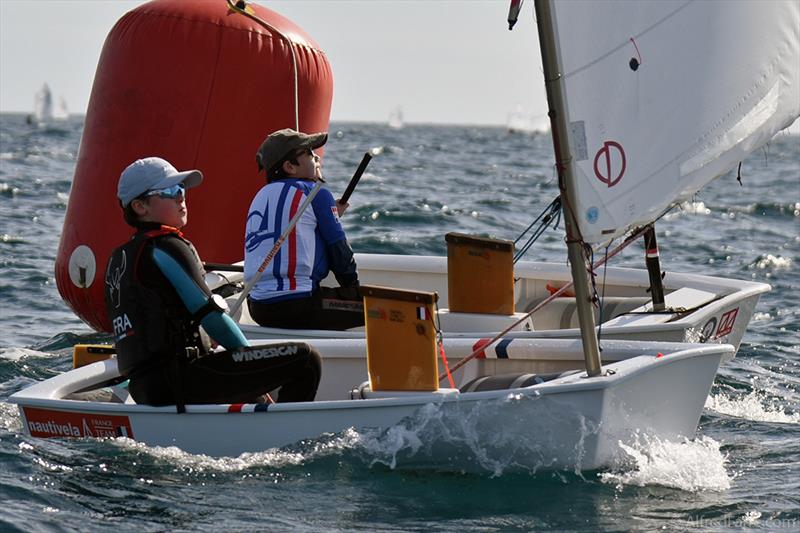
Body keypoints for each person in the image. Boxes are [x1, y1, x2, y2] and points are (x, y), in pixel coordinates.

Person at [105, 156, 321, 408]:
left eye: (182, 189)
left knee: (255, 393)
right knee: (306, 358)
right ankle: (288, 434)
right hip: (179, 381)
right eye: (170, 191)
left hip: (147, 387)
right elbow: (210, 315)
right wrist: (251, 360)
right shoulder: (168, 247)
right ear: (140, 206)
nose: (180, 197)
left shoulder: (119, 258)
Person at [244, 128, 364, 330]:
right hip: (297, 307)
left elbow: (292, 231)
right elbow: (340, 254)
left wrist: (330, 213)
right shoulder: (316, 194)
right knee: (383, 306)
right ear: (290, 166)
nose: (316, 156)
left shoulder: (260, 196)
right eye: (308, 152)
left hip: (257, 308)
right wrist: (353, 289)